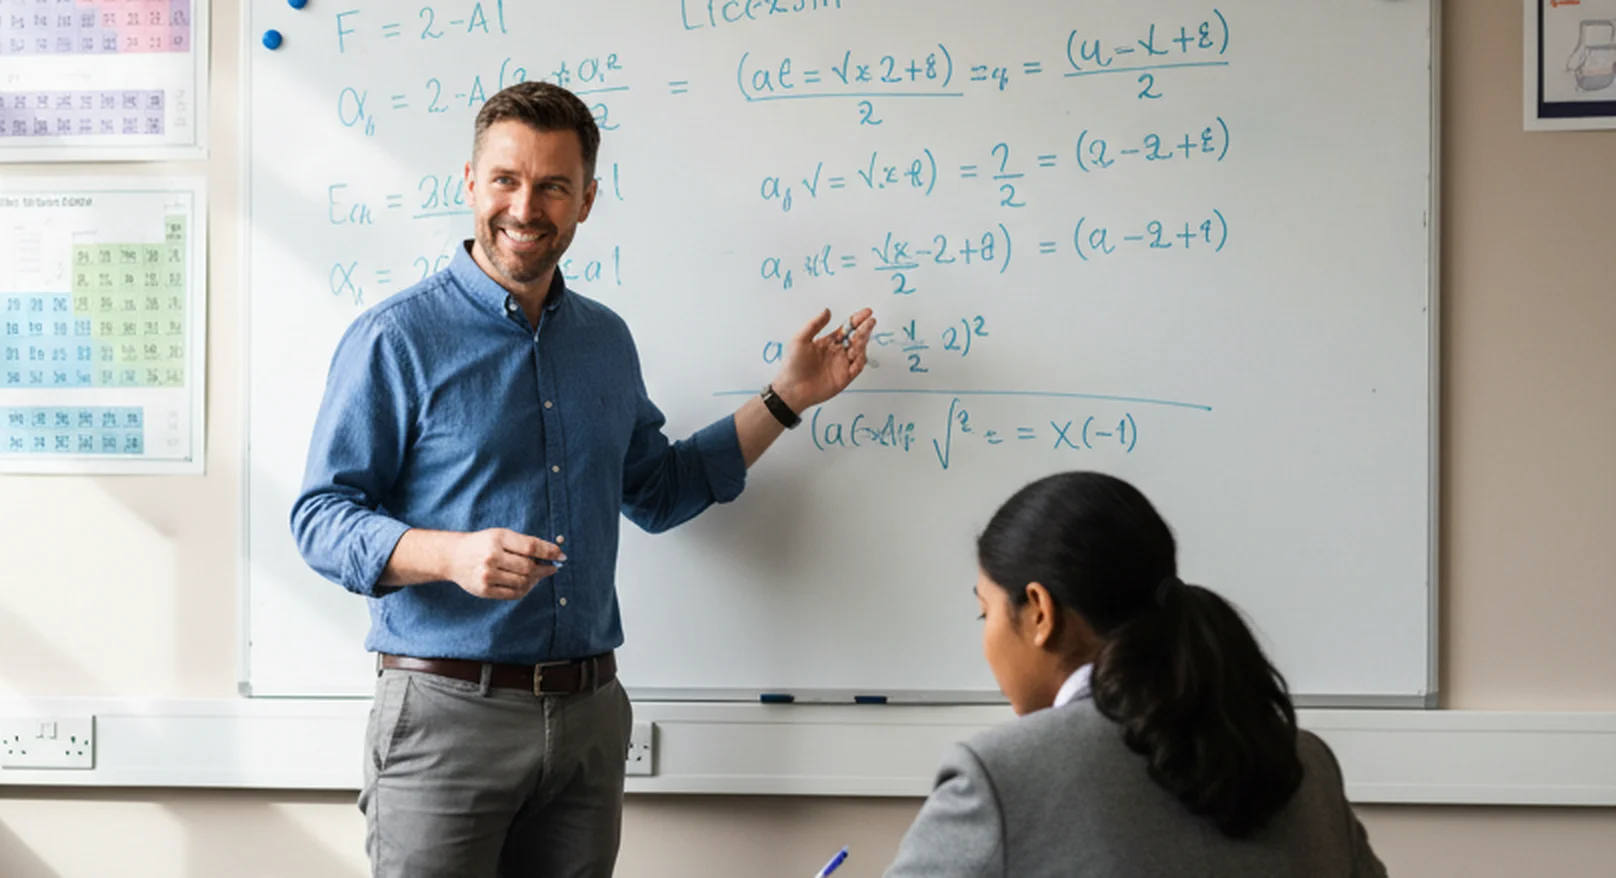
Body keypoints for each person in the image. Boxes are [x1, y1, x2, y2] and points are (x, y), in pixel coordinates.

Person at [290, 80, 877, 878]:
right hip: (446, 720)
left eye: (553, 186)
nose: (525, 207)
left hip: (591, 720)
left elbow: (660, 489)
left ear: (587, 200)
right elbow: (320, 518)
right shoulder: (396, 338)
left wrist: (786, 399)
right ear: (469, 183)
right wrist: (449, 555)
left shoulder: (605, 341)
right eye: (505, 179)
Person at [885, 471, 1389, 877]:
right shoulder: (1306, 765)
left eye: (985, 612)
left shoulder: (999, 775)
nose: (986, 637)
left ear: (1040, 611)